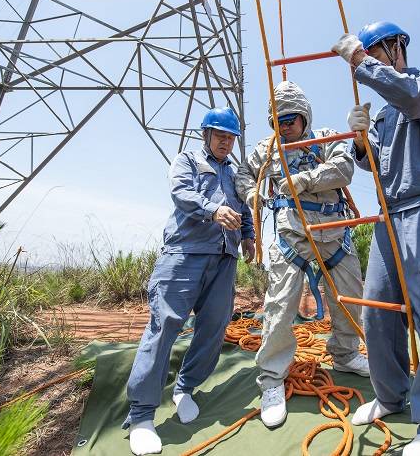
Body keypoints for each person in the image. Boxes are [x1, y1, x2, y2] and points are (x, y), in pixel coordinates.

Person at [332, 22, 420, 456]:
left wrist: (357, 61)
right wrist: (358, 143)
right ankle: (391, 396)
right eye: (366, 53)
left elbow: (412, 97)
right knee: (378, 313)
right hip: (389, 218)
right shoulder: (388, 112)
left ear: (395, 47)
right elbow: (380, 163)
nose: (370, 59)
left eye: (375, 52)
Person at [235, 81, 369, 429]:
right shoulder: (267, 150)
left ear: (305, 117)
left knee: (350, 299)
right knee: (280, 308)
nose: (285, 127)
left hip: (335, 233)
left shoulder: (324, 137)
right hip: (290, 237)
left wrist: (304, 180)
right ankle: (272, 378)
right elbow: (243, 175)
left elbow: (343, 169)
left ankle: (345, 354)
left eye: (291, 120)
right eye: (278, 122)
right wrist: (253, 195)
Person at [122, 107, 255, 456]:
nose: (227, 142)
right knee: (164, 325)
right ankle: (141, 416)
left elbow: (245, 206)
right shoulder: (187, 161)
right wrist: (212, 210)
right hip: (184, 254)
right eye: (220, 135)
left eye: (231, 137)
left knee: (214, 327)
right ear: (206, 134)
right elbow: (181, 193)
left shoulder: (237, 172)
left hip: (225, 259)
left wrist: (249, 235)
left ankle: (185, 387)